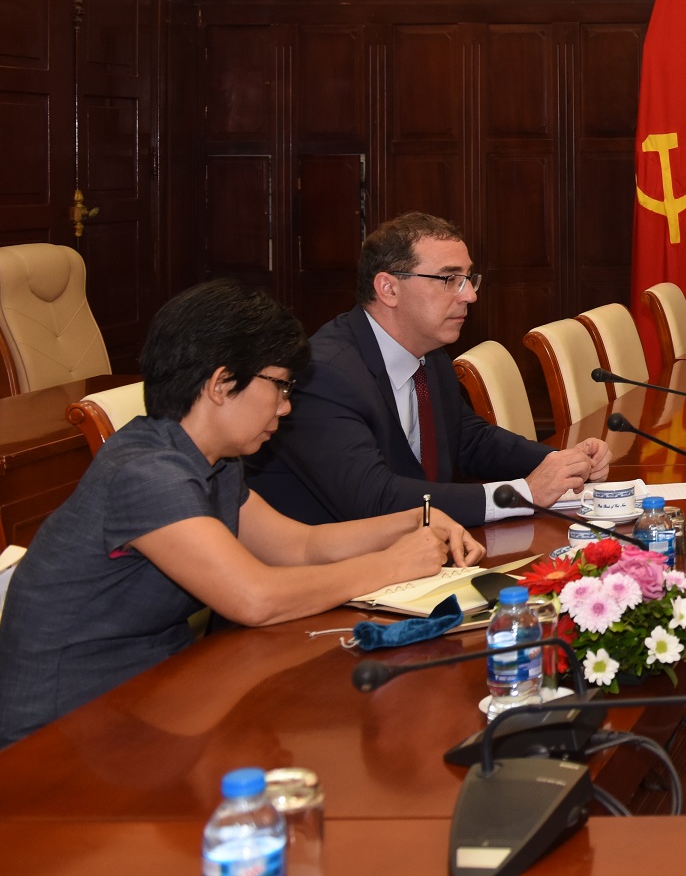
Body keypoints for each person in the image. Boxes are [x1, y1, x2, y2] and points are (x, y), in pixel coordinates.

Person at [0, 280, 482, 746]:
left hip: (155, 696)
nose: (286, 407)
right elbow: (254, 598)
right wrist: (391, 565)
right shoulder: (146, 473)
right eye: (280, 386)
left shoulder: (213, 460)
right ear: (221, 383)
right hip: (66, 729)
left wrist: (412, 519)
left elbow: (299, 546)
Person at [250, 212, 609, 526]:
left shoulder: (429, 353)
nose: (469, 295)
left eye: (468, 278)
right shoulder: (324, 375)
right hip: (333, 571)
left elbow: (467, 439)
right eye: (449, 279)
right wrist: (520, 495)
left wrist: (562, 463)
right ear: (388, 288)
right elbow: (373, 499)